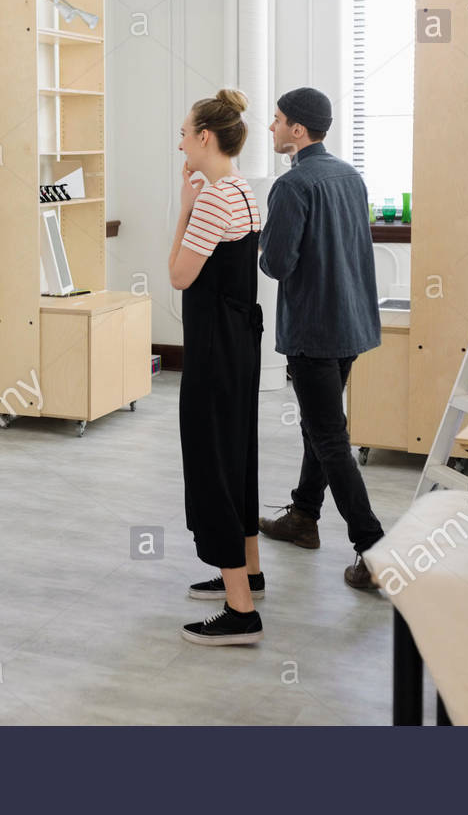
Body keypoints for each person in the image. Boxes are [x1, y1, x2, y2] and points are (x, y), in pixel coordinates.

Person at [258, 86, 384, 590]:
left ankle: (372, 549)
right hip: (350, 323)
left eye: (277, 120)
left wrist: (263, 239)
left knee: (330, 437)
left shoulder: (293, 186)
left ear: (297, 129)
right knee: (321, 425)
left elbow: (276, 264)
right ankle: (304, 516)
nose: (271, 128)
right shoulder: (350, 176)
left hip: (313, 329)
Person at [169, 88, 265, 645]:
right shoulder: (243, 191)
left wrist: (183, 205)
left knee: (212, 463)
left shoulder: (210, 200)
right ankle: (248, 568)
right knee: (239, 453)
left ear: (205, 137)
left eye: (184, 132)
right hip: (240, 341)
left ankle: (240, 608)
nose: (180, 142)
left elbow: (179, 276)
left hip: (213, 347)